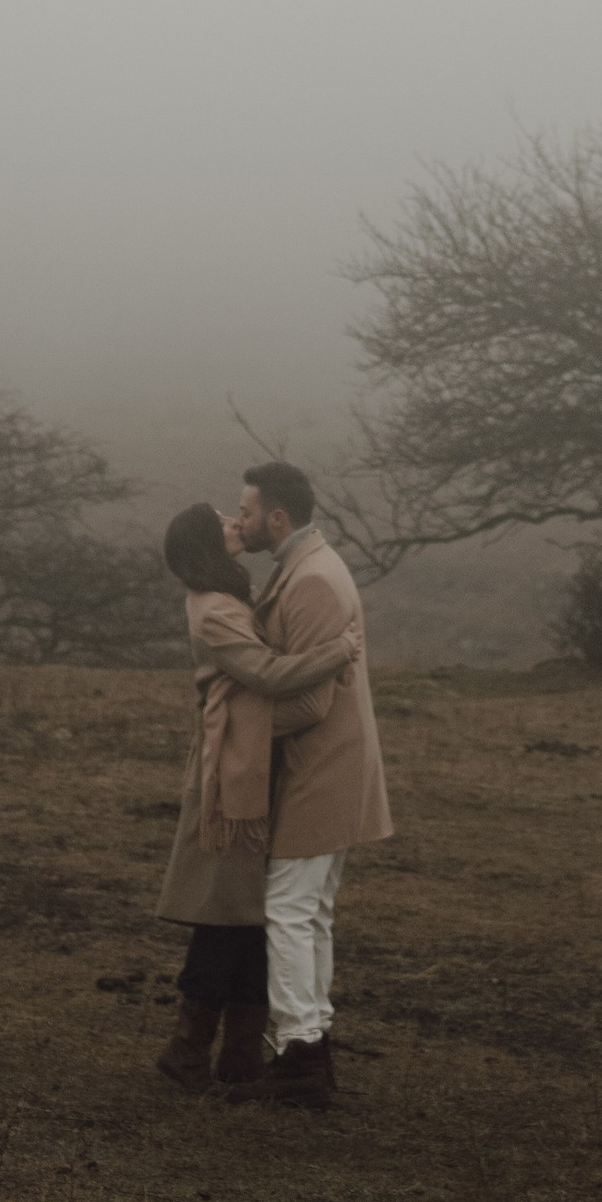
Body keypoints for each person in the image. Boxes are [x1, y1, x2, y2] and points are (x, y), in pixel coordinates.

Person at [153, 499, 362, 1093]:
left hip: (248, 767)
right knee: (224, 918)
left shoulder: (229, 597)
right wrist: (337, 653)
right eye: (221, 521)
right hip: (229, 778)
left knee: (248, 917)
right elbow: (267, 675)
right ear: (204, 543)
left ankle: (237, 1057)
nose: (233, 523)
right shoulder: (214, 609)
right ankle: (191, 1051)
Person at [234, 459, 392, 1110]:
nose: (238, 521)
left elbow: (310, 705)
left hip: (320, 767)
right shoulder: (306, 568)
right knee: (311, 911)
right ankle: (310, 1041)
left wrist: (232, 728)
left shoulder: (314, 582)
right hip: (328, 767)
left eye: (244, 511)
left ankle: (299, 1051)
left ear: (277, 517)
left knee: (289, 910)